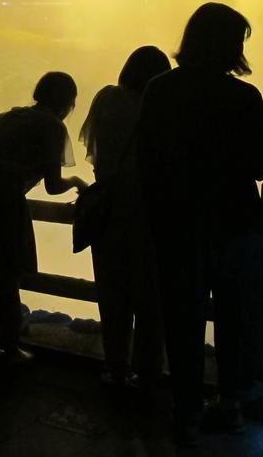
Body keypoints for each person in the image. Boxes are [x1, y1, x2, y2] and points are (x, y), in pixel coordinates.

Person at [137, 3, 263, 445]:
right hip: (235, 224)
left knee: (183, 320)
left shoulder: (160, 89)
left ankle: (186, 411)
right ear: (228, 45)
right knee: (233, 318)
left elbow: (149, 161)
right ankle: (231, 403)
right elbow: (260, 166)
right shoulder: (244, 97)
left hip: (177, 227)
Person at [0, 72, 89, 362]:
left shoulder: (10, 116)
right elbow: (52, 185)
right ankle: (11, 348)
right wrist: (75, 181)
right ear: (67, 104)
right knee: (9, 274)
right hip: (4, 196)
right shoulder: (52, 126)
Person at [79, 46, 171, 391]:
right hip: (150, 215)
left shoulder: (107, 99)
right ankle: (148, 372)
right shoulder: (161, 108)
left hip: (108, 212)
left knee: (113, 294)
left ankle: (115, 367)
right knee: (151, 300)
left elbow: (95, 154)